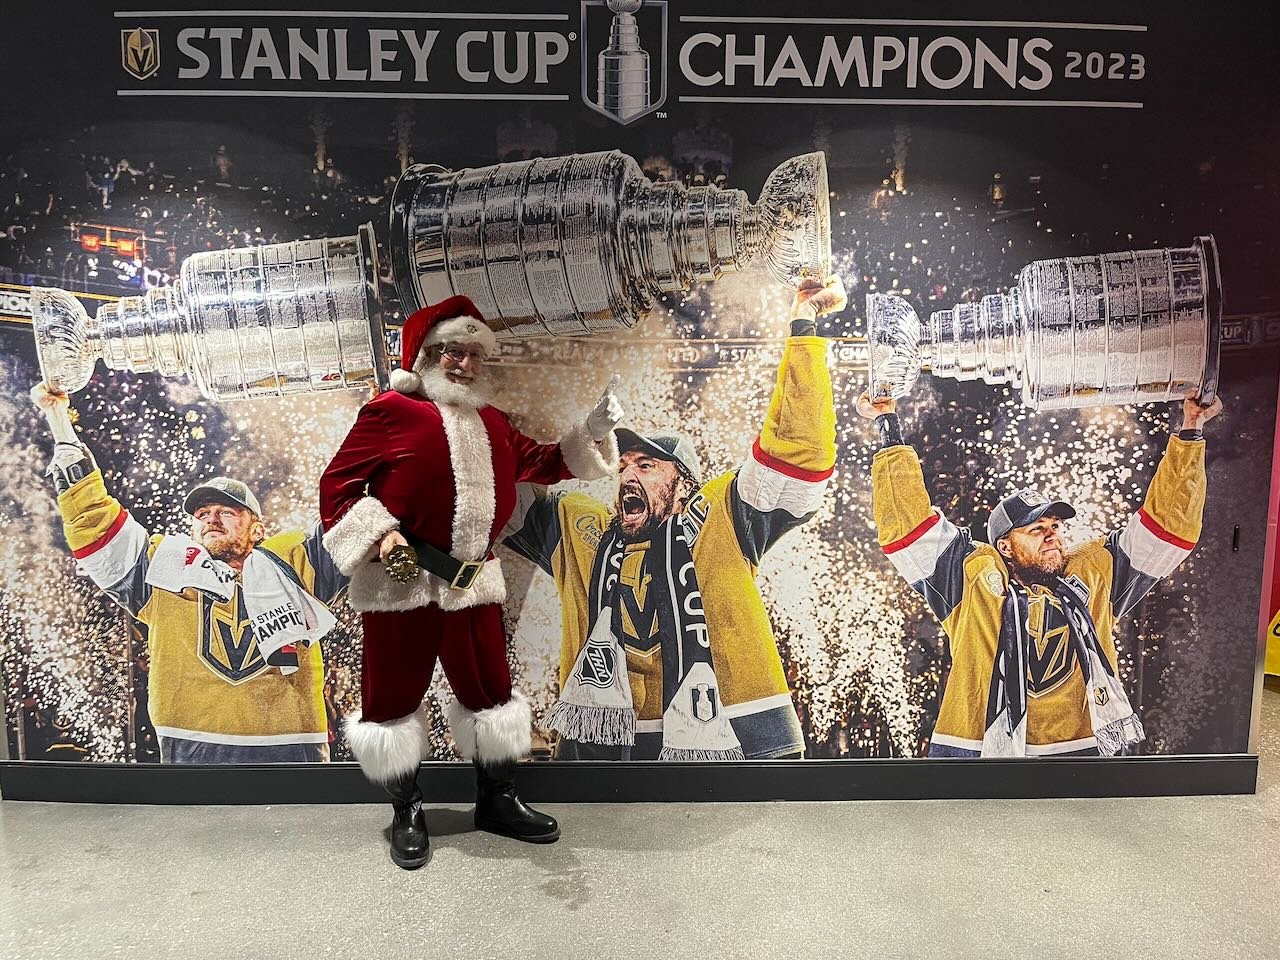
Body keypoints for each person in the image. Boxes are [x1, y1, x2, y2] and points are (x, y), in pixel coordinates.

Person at [319, 294, 623, 870]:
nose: (462, 363)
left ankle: (497, 801)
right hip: (400, 586)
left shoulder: (494, 423)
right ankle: (407, 810)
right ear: (426, 356)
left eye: (471, 354)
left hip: (473, 585)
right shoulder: (390, 412)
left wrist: (593, 430)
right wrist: (381, 535)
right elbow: (337, 488)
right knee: (391, 703)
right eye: (449, 352)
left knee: (492, 697)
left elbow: (547, 462)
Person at [503, 277, 847, 761]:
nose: (627, 474)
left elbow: (799, 452)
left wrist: (803, 329)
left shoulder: (723, 517)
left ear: (685, 485)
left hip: (730, 746)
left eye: (646, 466)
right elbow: (495, 487)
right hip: (607, 753)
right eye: (623, 466)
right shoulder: (581, 532)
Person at [859, 388, 1223, 757]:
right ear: (1005, 546)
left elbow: (1167, 530)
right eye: (1036, 529)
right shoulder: (971, 578)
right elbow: (907, 526)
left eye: (1055, 526)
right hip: (978, 749)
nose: (1052, 535)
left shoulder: (1095, 573)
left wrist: (1190, 430)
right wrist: (887, 424)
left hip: (1083, 747)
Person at [31, 383, 345, 764]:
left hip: (292, 744)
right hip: (191, 743)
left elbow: (354, 520)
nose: (211, 519)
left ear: (258, 528)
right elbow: (92, 520)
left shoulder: (296, 561)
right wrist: (59, 420)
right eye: (201, 515)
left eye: (227, 512)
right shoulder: (163, 565)